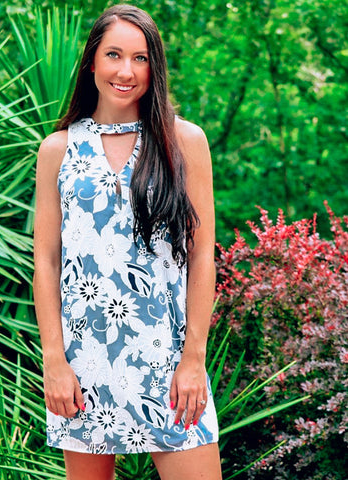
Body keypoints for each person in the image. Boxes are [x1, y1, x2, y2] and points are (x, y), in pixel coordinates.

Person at [33, 4, 222, 479]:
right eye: (114, 54)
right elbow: (47, 261)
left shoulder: (184, 142)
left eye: (140, 58)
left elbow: (202, 257)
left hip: (169, 362)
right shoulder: (58, 149)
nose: (125, 70)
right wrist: (54, 361)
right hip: (83, 364)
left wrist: (194, 358)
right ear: (91, 61)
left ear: (154, 67)